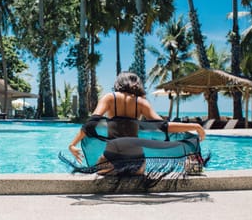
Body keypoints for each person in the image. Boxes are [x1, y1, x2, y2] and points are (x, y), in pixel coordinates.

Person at [67, 72, 206, 175]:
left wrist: (73, 144)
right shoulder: (142, 102)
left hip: (112, 157)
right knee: (138, 169)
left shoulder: (109, 98)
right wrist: (195, 126)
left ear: (119, 83)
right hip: (137, 161)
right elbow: (164, 127)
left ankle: (116, 169)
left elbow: (91, 123)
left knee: (100, 167)